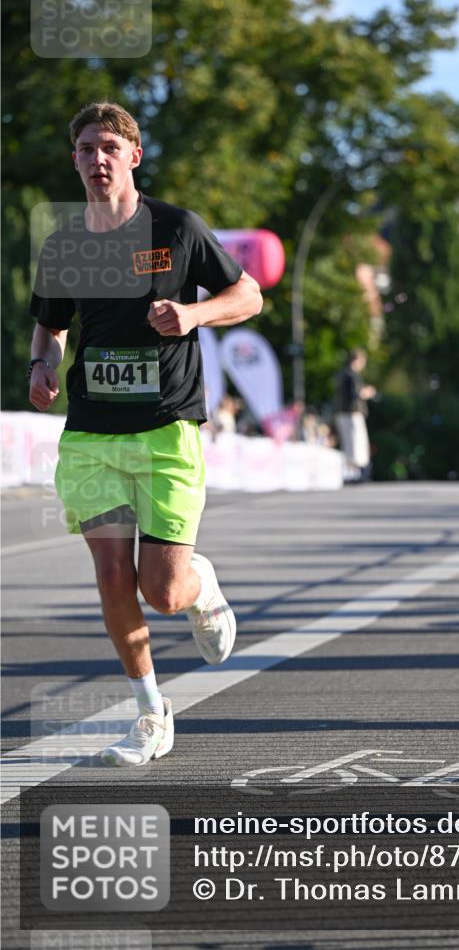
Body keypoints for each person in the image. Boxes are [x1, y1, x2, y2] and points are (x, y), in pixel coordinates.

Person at [28, 102, 262, 766]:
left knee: (162, 593)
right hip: (94, 434)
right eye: (84, 149)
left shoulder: (176, 228)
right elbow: (51, 323)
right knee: (110, 577)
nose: (96, 158)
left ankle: (201, 587)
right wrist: (41, 364)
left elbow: (248, 295)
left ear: (133, 156)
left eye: (108, 146)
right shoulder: (64, 244)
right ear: (74, 161)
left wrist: (192, 313)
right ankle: (150, 713)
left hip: (166, 431)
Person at [334, 348, 375, 483]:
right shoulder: (352, 375)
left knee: (348, 443)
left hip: (341, 413)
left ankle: (349, 473)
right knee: (355, 443)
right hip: (352, 413)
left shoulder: (341, 374)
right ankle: (354, 474)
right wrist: (367, 392)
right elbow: (355, 395)